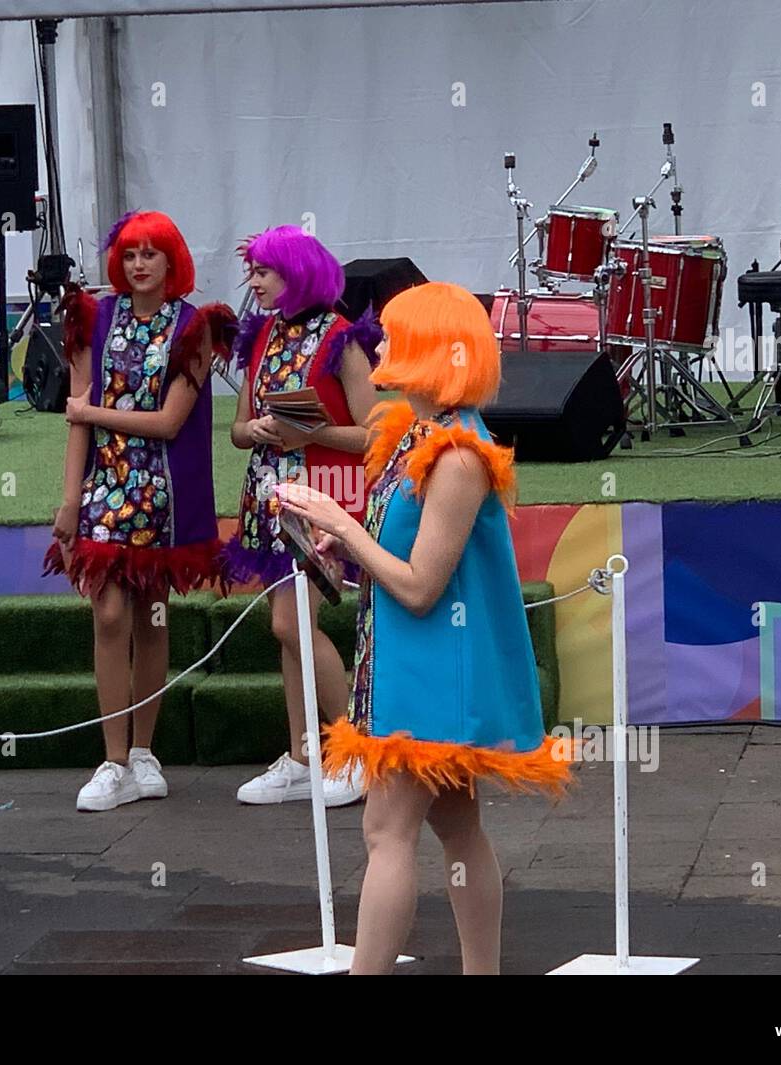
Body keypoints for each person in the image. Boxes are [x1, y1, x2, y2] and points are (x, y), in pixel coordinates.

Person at [276, 281, 575, 974]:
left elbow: (418, 585)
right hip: (416, 666)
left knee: (386, 829)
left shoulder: (459, 453)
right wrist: (344, 546)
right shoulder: (417, 433)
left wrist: (342, 526)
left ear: (430, 350)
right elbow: (402, 560)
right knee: (457, 826)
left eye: (393, 332)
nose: (377, 341)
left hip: (429, 671)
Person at [48, 210, 234, 811]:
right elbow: (77, 418)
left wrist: (91, 413)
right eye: (130, 254)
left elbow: (168, 422)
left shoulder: (194, 329)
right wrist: (70, 499)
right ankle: (113, 758)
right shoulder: (93, 318)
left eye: (151, 254)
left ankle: (145, 752)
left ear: (172, 260)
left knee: (153, 614)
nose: (139, 264)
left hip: (164, 496)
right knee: (108, 615)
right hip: (105, 489)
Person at [223, 225, 380, 807]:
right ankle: (301, 754)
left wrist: (305, 431)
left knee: (293, 626)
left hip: (323, 494)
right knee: (286, 631)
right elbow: (238, 430)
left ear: (297, 272)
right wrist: (258, 429)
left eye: (264, 271)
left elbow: (373, 434)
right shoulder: (259, 335)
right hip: (268, 494)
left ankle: (353, 750)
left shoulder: (342, 338)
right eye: (253, 271)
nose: (254, 282)